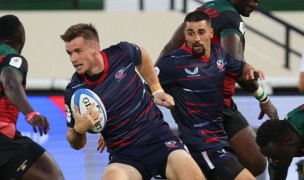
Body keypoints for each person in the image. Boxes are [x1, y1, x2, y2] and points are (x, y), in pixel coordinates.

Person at [60, 23, 205, 180]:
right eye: (69, 53)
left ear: (95, 48)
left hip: (159, 140)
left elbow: (142, 55)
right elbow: (75, 142)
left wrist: (156, 90)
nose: (73, 59)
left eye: (78, 51)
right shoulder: (75, 91)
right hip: (125, 156)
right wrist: (78, 131)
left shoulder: (122, 53)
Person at [157, 0, 279, 176]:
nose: (255, 4)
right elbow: (236, 67)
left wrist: (158, 79)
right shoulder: (230, 18)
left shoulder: (208, 8)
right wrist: (264, 99)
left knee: (256, 161)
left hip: (220, 104)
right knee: (244, 164)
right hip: (201, 106)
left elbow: (169, 47)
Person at [0, 15, 64, 179]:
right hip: (3, 138)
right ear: (20, 38)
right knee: (52, 175)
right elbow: (10, 83)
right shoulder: (12, 57)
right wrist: (31, 113)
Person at [256, 104, 304, 180]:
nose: (275, 161)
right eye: (271, 158)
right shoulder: (280, 149)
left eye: (275, 157)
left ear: (288, 141)